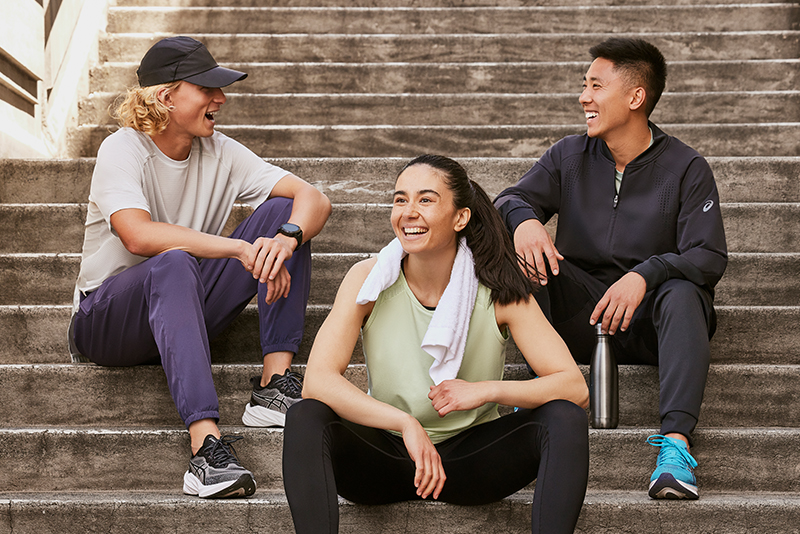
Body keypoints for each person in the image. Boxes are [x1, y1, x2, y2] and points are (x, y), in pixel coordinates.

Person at [68, 36, 332, 498]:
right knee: (173, 263)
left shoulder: (221, 152)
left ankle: (273, 384)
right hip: (107, 320)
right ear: (166, 97)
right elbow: (138, 235)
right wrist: (235, 249)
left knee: (284, 219)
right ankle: (205, 450)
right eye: (207, 88)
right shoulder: (122, 149)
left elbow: (314, 198)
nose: (221, 99)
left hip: (184, 311)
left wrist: (287, 239)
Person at [282, 154, 589, 534]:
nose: (409, 212)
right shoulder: (368, 279)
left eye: (425, 200)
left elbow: (573, 387)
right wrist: (405, 424)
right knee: (305, 415)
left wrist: (483, 391)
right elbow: (318, 382)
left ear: (460, 217)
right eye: (400, 199)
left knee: (565, 417)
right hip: (386, 456)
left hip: (471, 460)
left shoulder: (498, 287)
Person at [494, 38, 728, 500]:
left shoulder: (686, 167)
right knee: (525, 259)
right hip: (581, 317)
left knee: (684, 291)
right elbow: (510, 198)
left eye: (596, 86)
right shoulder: (568, 155)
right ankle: (541, 399)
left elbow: (708, 256)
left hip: (653, 326)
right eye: (584, 85)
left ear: (635, 97)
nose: (584, 97)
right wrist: (523, 224)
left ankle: (676, 447)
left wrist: (646, 274)